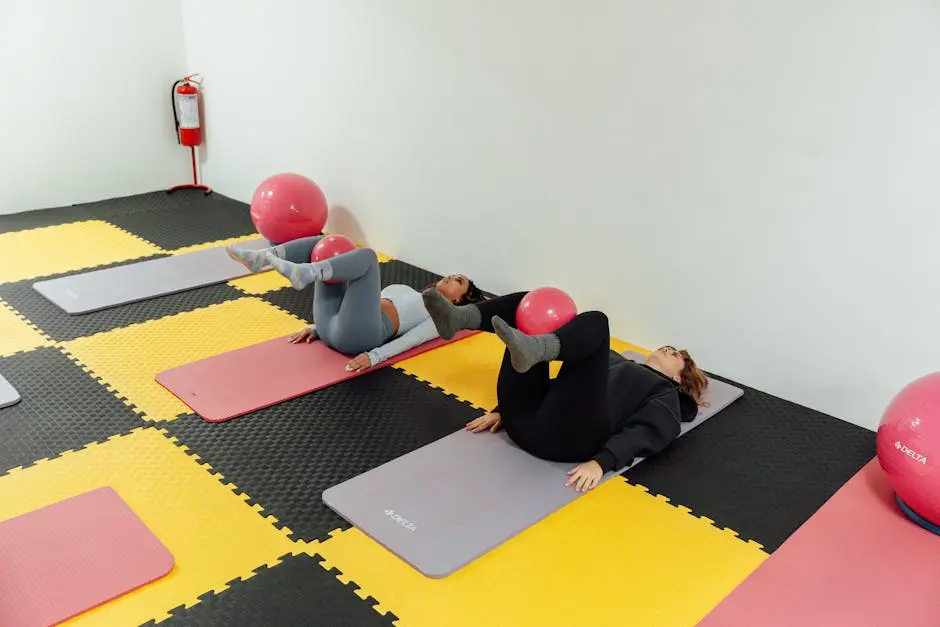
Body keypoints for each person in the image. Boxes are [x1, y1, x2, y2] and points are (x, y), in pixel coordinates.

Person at [420, 288, 709, 493]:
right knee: (532, 303)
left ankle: (536, 347)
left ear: (679, 378)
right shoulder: (612, 359)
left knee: (597, 321)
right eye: (668, 347)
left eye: (677, 357)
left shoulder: (665, 392)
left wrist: (602, 461)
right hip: (524, 424)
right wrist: (503, 412)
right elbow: (564, 391)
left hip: (568, 441)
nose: (669, 349)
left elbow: (649, 432)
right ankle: (459, 318)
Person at [226, 236, 484, 371]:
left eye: (457, 280)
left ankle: (307, 272)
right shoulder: (413, 293)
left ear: (457, 299)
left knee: (368, 257)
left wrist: (374, 357)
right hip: (331, 327)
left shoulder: (439, 316)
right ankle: (264, 258)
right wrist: (316, 328)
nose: (451, 276)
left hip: (361, 338)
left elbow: (413, 339)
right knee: (330, 243)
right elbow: (357, 303)